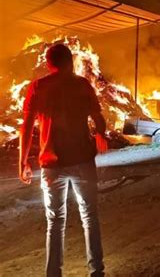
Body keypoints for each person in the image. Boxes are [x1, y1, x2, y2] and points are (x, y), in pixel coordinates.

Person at [19, 43, 108, 277]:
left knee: (55, 222)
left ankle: (53, 274)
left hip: (51, 164)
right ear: (70, 61)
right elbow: (98, 119)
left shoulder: (38, 87)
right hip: (82, 160)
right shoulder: (82, 84)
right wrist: (100, 134)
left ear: (49, 64)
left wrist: (23, 161)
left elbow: (27, 127)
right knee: (90, 217)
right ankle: (96, 271)